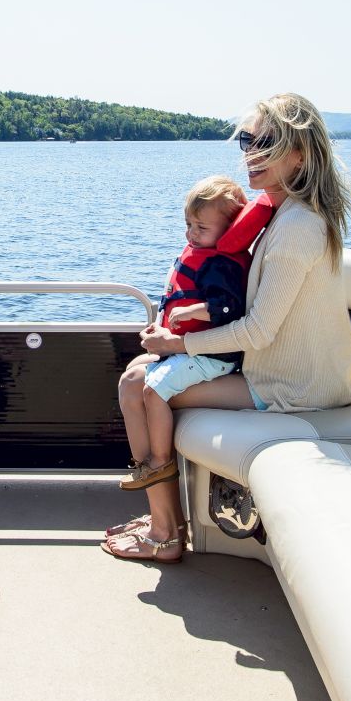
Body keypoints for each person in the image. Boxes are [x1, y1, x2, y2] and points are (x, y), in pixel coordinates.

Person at [104, 91, 351, 562]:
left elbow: (258, 331)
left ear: (300, 154)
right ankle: (166, 520)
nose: (250, 153)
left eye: (266, 141)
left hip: (296, 384)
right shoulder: (281, 213)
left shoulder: (298, 226)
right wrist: (184, 334)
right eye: (246, 140)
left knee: (142, 386)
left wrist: (180, 343)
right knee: (137, 374)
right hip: (274, 367)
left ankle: (164, 533)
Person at [116, 175, 275, 492]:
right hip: (193, 351)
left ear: (228, 231)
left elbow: (230, 308)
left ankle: (160, 464)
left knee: (152, 389)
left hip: (213, 357)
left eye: (202, 228)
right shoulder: (204, 253)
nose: (192, 234)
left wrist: (191, 312)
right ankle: (148, 465)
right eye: (189, 225)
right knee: (133, 372)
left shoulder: (222, 264)